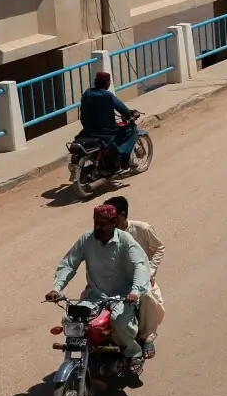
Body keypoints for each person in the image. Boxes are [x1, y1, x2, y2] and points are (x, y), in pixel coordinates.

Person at [47, 203, 151, 378]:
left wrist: (135, 291)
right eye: (96, 222)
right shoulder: (86, 240)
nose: (98, 227)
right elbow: (69, 263)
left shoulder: (125, 240)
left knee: (119, 322)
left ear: (113, 223)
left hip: (123, 296)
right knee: (70, 318)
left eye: (102, 223)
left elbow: (140, 265)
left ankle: (134, 353)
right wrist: (56, 288)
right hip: (95, 295)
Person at [107, 196, 165, 359]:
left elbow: (159, 248)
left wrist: (151, 271)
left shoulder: (142, 228)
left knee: (146, 297)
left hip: (141, 279)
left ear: (122, 215)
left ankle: (146, 336)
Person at [78, 71, 138, 166]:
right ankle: (124, 160)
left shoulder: (87, 93)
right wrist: (129, 115)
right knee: (132, 131)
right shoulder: (107, 96)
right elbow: (122, 108)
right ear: (107, 83)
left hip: (88, 129)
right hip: (105, 131)